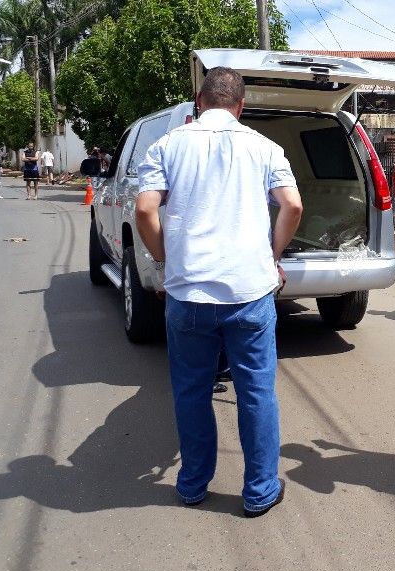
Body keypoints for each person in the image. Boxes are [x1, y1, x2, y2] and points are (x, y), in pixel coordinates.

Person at [135, 66, 302, 517]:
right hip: (250, 294)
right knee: (256, 393)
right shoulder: (266, 148)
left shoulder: (166, 146)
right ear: (241, 106)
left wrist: (165, 259)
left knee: (191, 391)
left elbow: (145, 209)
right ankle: (260, 491)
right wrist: (272, 254)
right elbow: (292, 205)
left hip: (188, 297)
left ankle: (192, 485)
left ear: (198, 100)